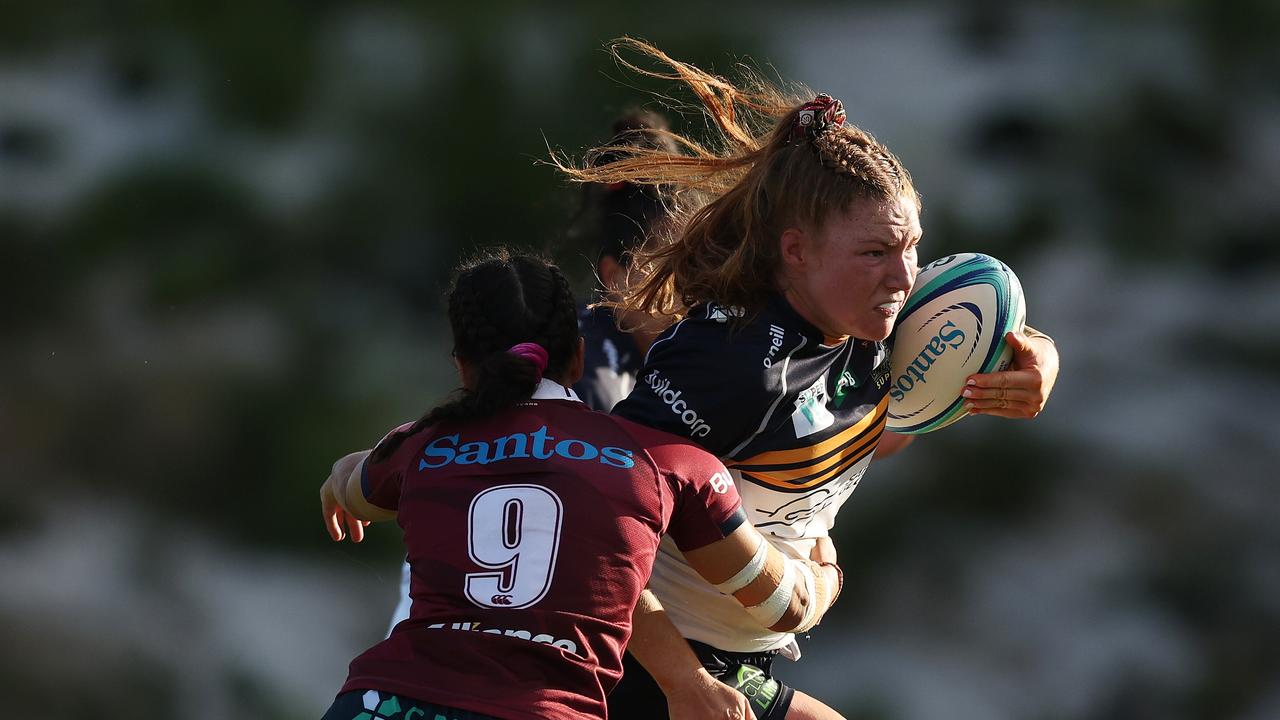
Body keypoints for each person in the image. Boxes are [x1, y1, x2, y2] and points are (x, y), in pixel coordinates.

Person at [552, 39, 1061, 720]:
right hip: (645, 660)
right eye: (876, 252)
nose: (904, 277)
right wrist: (684, 684)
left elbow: (887, 421)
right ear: (796, 249)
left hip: (733, 657)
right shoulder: (733, 363)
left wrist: (1033, 360)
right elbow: (591, 530)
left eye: (912, 247)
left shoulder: (868, 322)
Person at [318, 250, 845, 720]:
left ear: (462, 367)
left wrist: (342, 481)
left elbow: (352, 483)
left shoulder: (419, 446)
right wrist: (825, 571)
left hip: (382, 703)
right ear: (577, 357)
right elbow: (782, 605)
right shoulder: (670, 464)